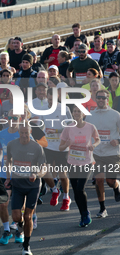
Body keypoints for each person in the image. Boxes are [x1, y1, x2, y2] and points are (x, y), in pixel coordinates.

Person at [5, 125, 47, 255]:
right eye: (22, 133)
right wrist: (8, 178)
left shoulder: (37, 147)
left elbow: (44, 167)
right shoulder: (11, 144)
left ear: (30, 132)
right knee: (17, 217)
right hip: (17, 184)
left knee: (28, 215)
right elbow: (8, 161)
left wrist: (37, 174)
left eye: (26, 133)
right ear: (18, 132)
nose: (24, 135)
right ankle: (21, 224)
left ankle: (26, 247)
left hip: (33, 186)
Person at [59, 105, 100, 227]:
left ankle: (86, 213)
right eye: (74, 111)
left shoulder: (90, 127)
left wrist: (94, 145)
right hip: (72, 163)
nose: (76, 113)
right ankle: (82, 214)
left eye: (79, 111)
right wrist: (66, 144)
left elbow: (97, 139)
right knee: (76, 191)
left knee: (80, 189)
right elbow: (60, 147)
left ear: (83, 114)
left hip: (86, 162)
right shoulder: (68, 128)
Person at [85, 89, 120, 218]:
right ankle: (102, 209)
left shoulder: (115, 115)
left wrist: (118, 140)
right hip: (97, 153)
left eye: (103, 98)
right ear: (95, 98)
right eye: (98, 98)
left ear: (107, 99)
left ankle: (116, 187)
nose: (100, 100)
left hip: (112, 153)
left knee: (110, 181)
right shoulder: (89, 115)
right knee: (99, 179)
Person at [39, 88, 73, 211]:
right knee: (44, 172)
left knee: (62, 174)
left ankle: (66, 197)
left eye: (52, 99)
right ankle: (54, 190)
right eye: (49, 99)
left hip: (61, 147)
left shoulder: (64, 109)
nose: (50, 102)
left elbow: (71, 126)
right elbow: (40, 126)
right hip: (48, 145)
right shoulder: (43, 109)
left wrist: (57, 131)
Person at [0, 110, 21, 245]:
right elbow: (0, 149)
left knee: (19, 207)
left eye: (14, 117)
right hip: (5, 174)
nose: (12, 119)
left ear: (19, 118)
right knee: (3, 204)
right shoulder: (1, 134)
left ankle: (19, 230)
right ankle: (6, 230)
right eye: (9, 117)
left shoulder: (23, 133)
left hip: (20, 174)